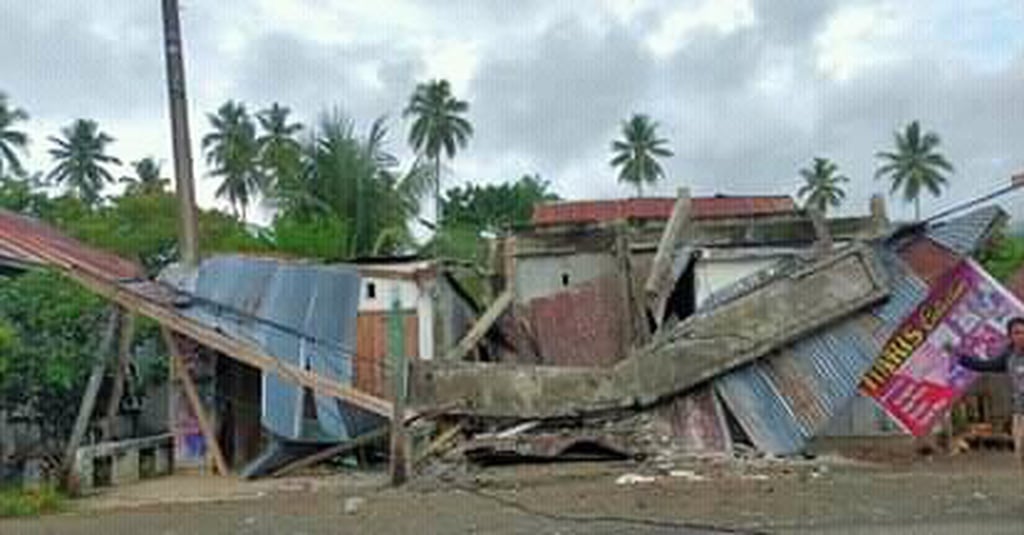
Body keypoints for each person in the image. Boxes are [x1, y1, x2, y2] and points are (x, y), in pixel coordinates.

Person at [957, 317, 1024, 467]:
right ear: (1010, 336)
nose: (1022, 336)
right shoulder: (1008, 358)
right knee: (1020, 456)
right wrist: (960, 358)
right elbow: (984, 366)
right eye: (1017, 333)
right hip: (1019, 414)